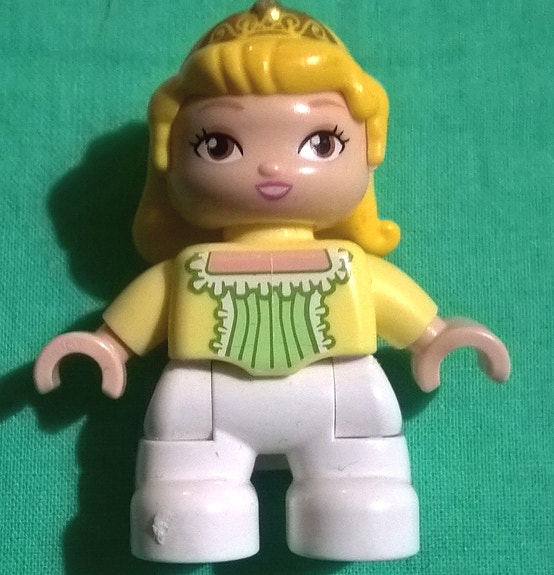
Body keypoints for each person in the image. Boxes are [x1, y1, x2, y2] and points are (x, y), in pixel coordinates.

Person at [34, 1, 510, 563]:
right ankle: (190, 513)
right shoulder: (186, 272)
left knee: (362, 489)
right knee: (186, 493)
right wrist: (106, 348)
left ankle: (357, 505)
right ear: (170, 158)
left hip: (340, 398)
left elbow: (399, 306)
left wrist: (436, 337)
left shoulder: (349, 266)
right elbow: (141, 314)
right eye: (218, 145)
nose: (272, 169)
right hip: (207, 402)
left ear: (368, 151)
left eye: (321, 143)